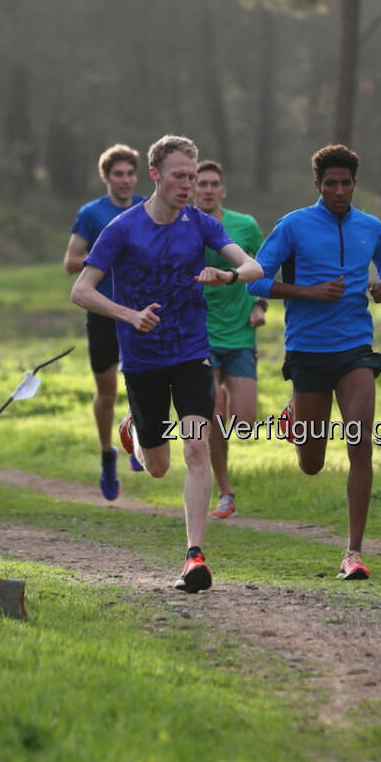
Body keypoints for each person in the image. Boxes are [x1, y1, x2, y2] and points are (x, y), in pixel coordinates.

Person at [70, 135, 263, 592]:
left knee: (196, 449)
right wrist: (128, 314)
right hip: (141, 360)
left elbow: (255, 267)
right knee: (156, 466)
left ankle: (194, 556)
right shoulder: (121, 228)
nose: (188, 185)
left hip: (192, 352)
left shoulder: (200, 224)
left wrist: (228, 274)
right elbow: (81, 290)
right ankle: (133, 429)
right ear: (155, 175)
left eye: (193, 178)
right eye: (179, 176)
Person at [246, 144, 381, 581]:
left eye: (345, 183)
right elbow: (254, 283)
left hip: (355, 349)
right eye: (330, 183)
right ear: (317, 185)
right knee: (311, 463)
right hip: (308, 351)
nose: (338, 190)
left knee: (360, 441)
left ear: (355, 184)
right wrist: (308, 292)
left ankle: (353, 552)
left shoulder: (370, 227)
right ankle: (296, 412)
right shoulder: (293, 226)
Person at [64, 144, 147, 500]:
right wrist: (103, 255)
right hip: (101, 312)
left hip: (140, 310)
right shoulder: (91, 214)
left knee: (145, 383)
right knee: (108, 391)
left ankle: (138, 439)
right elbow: (70, 262)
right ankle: (106, 454)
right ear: (106, 177)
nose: (125, 180)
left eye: (130, 173)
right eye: (118, 174)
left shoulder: (148, 208)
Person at [191, 160, 267, 521]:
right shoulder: (184, 226)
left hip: (240, 334)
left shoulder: (245, 225)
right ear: (192, 189)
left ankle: (222, 488)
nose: (207, 189)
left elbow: (264, 265)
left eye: (213, 184)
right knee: (214, 416)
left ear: (222, 190)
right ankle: (225, 492)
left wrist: (260, 304)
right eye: (200, 183)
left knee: (245, 421)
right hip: (201, 335)